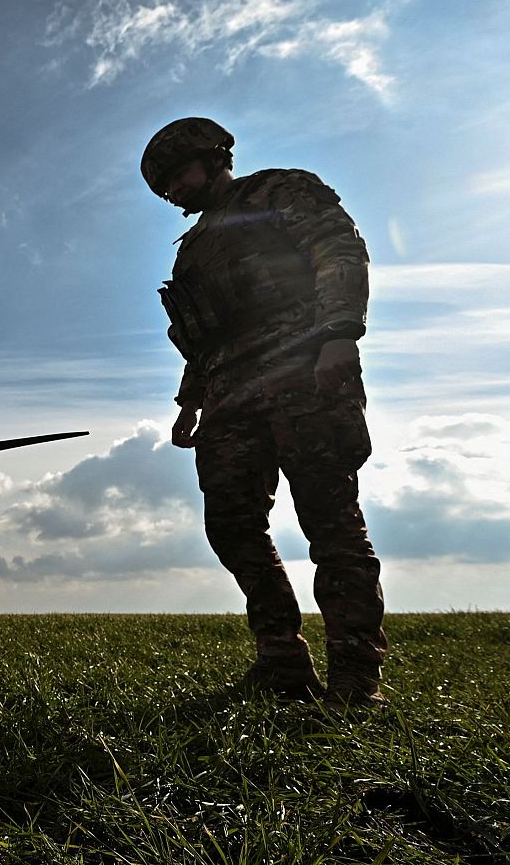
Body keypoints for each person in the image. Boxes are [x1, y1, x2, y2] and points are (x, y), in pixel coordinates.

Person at [142, 117, 388, 709]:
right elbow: (202, 338)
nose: (173, 190)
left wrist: (339, 334)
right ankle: (282, 663)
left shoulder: (280, 191)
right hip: (229, 395)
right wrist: (189, 403)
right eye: (163, 186)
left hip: (303, 372)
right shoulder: (194, 248)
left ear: (212, 156)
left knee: (330, 524)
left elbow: (338, 250)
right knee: (231, 525)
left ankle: (355, 683)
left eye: (177, 174)